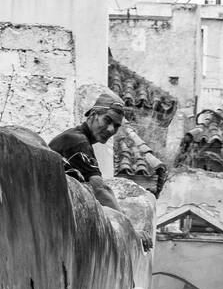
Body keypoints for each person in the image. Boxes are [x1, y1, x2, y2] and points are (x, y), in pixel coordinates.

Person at [48, 91, 154, 251]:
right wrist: (130, 229)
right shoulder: (78, 141)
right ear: (93, 115)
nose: (111, 129)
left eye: (117, 126)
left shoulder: (78, 139)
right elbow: (101, 190)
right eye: (107, 120)